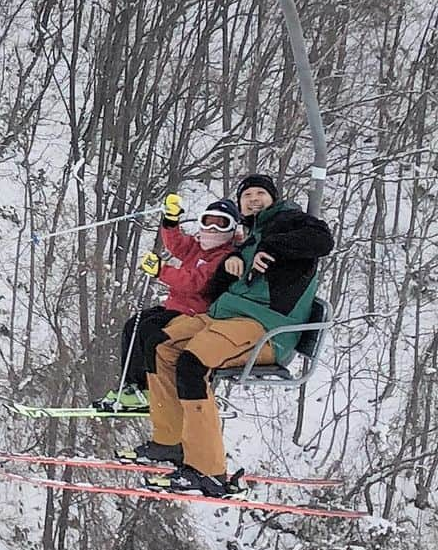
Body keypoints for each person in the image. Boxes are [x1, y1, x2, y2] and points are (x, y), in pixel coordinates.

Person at [128, 173, 334, 496]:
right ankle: (170, 440)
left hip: (265, 327)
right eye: (247, 195)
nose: (253, 199)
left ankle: (209, 471)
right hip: (225, 317)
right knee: (159, 344)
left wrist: (271, 247)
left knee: (192, 364)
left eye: (260, 194)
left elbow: (322, 240)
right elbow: (215, 285)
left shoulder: (287, 221)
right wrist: (232, 263)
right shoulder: (250, 237)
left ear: (273, 198)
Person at [92, 192, 243, 413]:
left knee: (149, 333)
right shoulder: (198, 246)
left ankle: (147, 390)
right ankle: (132, 385)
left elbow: (195, 283)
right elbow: (177, 244)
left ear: (231, 229)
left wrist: (161, 271)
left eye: (221, 224)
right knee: (133, 325)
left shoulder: (224, 257)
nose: (213, 229)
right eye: (208, 222)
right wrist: (171, 220)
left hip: (194, 313)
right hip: (174, 306)